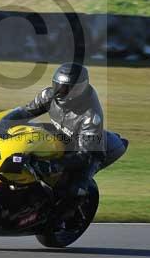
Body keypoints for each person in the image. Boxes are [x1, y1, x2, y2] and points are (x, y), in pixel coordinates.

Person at [19, 63, 126, 199]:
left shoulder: (90, 117)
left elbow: (84, 156)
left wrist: (54, 165)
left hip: (90, 152)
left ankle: (61, 218)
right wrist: (0, 123)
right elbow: (24, 113)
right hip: (66, 137)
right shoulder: (48, 95)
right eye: (59, 86)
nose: (61, 92)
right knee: (31, 133)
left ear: (80, 90)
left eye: (68, 89)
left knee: (71, 190)